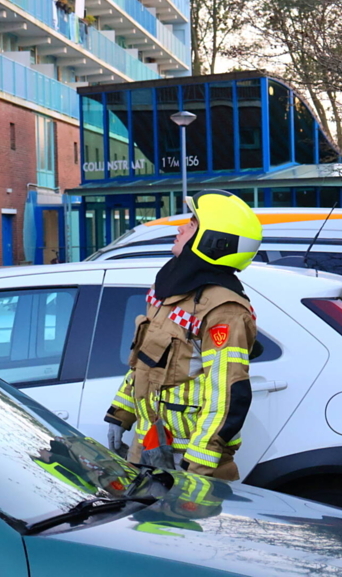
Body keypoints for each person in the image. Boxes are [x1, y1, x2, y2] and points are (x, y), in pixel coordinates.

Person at [104, 190, 262, 480]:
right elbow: (145, 362)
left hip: (188, 462)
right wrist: (120, 414)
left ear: (212, 241)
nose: (180, 229)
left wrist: (195, 466)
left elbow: (227, 396)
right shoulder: (171, 294)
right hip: (150, 450)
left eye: (191, 224)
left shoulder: (224, 309)